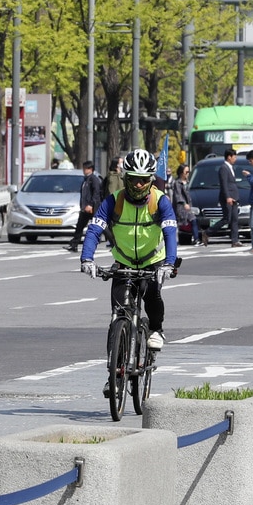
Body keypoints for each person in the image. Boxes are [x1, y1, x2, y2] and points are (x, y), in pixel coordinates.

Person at [78, 149, 180, 362]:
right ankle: (114, 368)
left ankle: (156, 330)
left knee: (152, 296)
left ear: (151, 180)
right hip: (123, 262)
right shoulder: (113, 201)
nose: (138, 185)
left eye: (143, 180)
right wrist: (87, 259)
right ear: (125, 178)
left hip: (153, 262)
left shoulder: (160, 201)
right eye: (133, 180)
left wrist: (169, 264)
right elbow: (95, 229)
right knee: (118, 314)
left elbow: (170, 232)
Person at [207, 149, 242, 246]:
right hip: (228, 197)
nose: (235, 159)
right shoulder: (223, 168)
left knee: (235, 219)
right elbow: (224, 184)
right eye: (234, 157)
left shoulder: (230, 167)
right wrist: (227, 197)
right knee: (227, 218)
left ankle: (235, 240)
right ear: (229, 157)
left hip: (234, 197)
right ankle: (207, 232)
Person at [67, 160, 103, 251]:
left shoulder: (93, 179)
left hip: (92, 208)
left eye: (85, 168)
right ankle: (74, 244)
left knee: (102, 226)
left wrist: (90, 204)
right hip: (85, 208)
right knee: (80, 226)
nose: (83, 170)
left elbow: (96, 193)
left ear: (90, 169)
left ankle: (114, 243)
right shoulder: (86, 179)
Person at [170, 163, 200, 247]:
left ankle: (196, 238)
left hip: (188, 206)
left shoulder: (187, 182)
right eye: (186, 172)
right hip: (181, 207)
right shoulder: (177, 183)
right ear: (181, 173)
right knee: (191, 220)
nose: (188, 174)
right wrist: (184, 203)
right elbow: (178, 195)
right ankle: (196, 239)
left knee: (193, 221)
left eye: (188, 172)